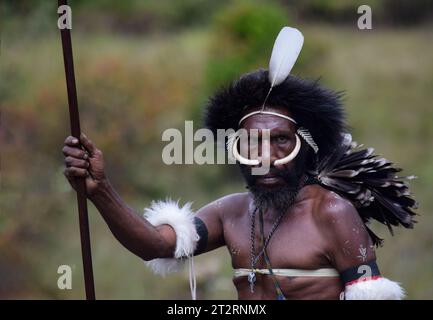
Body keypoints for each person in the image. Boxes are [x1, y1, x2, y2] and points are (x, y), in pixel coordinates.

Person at [62, 31, 417, 300]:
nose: (266, 157)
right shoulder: (230, 213)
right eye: (252, 144)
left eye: (281, 140)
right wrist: (100, 190)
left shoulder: (332, 213)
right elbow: (156, 245)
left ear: (304, 147)